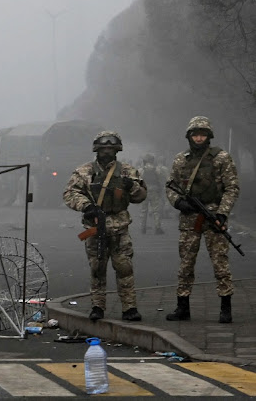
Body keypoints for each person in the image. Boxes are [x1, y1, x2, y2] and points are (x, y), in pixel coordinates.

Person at [63, 131, 147, 322]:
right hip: (95, 227)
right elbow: (69, 193)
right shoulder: (84, 171)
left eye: (111, 148)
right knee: (97, 269)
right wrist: (87, 206)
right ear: (97, 149)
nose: (107, 152)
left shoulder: (127, 171)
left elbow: (140, 196)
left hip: (120, 228)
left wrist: (131, 186)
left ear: (117, 149)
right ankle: (97, 307)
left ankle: (129, 308)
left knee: (124, 268)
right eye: (103, 148)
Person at [165, 116, 239, 323]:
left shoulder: (221, 158)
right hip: (189, 219)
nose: (198, 138)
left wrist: (222, 213)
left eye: (202, 134)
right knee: (186, 264)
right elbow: (170, 186)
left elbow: (232, 188)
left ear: (209, 136)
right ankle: (182, 306)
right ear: (189, 136)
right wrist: (179, 203)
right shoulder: (182, 159)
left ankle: (226, 307)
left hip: (214, 216)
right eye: (195, 134)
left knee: (220, 263)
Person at [139, 153, 164, 235]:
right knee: (156, 210)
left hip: (144, 191)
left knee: (143, 211)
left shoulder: (141, 170)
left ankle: (143, 228)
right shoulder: (156, 169)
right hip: (154, 191)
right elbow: (160, 181)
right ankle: (157, 227)